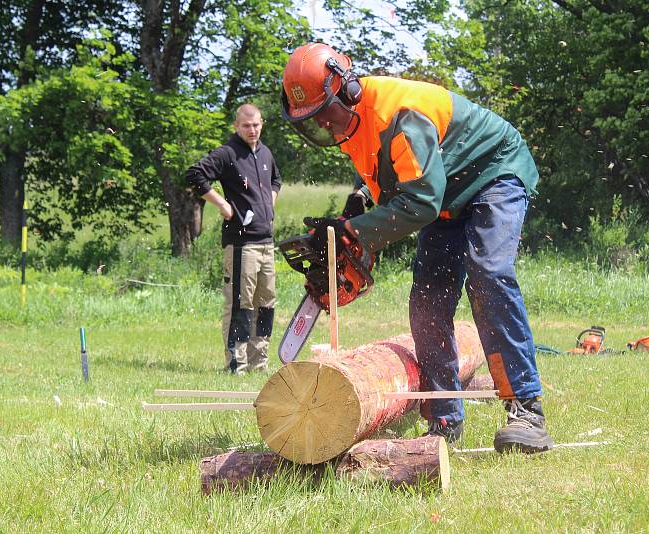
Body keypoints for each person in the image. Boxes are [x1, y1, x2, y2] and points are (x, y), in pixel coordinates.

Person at [280, 43, 552, 453]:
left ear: (349, 89)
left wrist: (354, 231)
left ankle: (526, 409)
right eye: (314, 121)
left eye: (327, 114)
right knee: (427, 298)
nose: (326, 126)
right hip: (444, 196)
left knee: (489, 271)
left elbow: (421, 201)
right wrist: (358, 206)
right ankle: (443, 415)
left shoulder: (400, 115)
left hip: (493, 172)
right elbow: (394, 178)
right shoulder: (352, 124)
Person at [186, 103, 281, 375]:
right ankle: (235, 364)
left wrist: (270, 203)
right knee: (241, 303)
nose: (252, 130)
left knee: (266, 303)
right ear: (236, 126)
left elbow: (276, 180)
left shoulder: (265, 153)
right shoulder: (228, 154)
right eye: (246, 126)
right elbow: (195, 174)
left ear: (262, 124)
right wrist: (222, 205)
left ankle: (259, 363)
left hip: (266, 241)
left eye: (256, 125)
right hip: (242, 243)